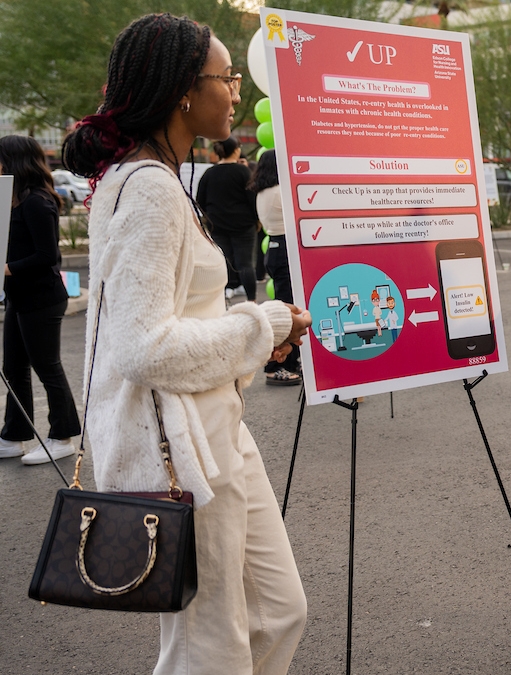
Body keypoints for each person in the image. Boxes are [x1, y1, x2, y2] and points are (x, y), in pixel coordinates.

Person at [61, 13, 312, 673]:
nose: (235, 92)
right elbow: (141, 347)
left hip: (217, 428)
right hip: (184, 453)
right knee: (210, 647)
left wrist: (256, 332)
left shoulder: (160, 177)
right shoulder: (148, 188)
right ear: (181, 91)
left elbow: (180, 312)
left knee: (279, 611)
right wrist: (263, 325)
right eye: (224, 79)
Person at [0, 136, 82, 465]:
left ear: (13, 161)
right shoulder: (16, 201)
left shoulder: (37, 202)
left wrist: (8, 267)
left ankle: (63, 436)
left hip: (42, 298)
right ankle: (14, 436)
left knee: (47, 368)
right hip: (20, 296)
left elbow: (48, 255)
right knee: (13, 368)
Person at [251, 149, 301, 385]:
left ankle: (289, 360)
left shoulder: (262, 192)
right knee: (287, 312)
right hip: (285, 249)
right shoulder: (280, 192)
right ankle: (277, 366)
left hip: (274, 247)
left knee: (286, 308)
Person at [196, 136, 257, 301]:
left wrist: (209, 220)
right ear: (236, 150)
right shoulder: (243, 171)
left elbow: (199, 200)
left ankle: (224, 296)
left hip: (218, 226)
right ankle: (252, 300)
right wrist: (256, 220)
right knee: (245, 264)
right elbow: (252, 198)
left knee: (224, 261)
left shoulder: (209, 173)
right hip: (243, 226)